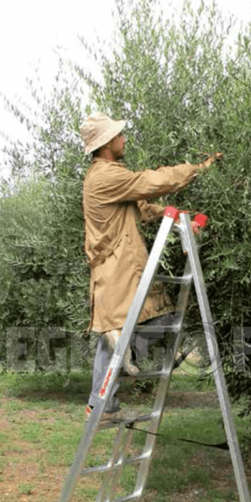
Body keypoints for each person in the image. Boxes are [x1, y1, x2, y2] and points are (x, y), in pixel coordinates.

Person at [79, 112, 222, 420]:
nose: (124, 139)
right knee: (118, 335)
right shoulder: (105, 175)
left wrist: (171, 214)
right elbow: (151, 182)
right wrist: (198, 169)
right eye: (119, 135)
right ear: (107, 143)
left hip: (124, 269)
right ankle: (105, 396)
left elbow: (139, 206)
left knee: (138, 326)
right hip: (117, 271)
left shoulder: (109, 175)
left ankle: (103, 400)